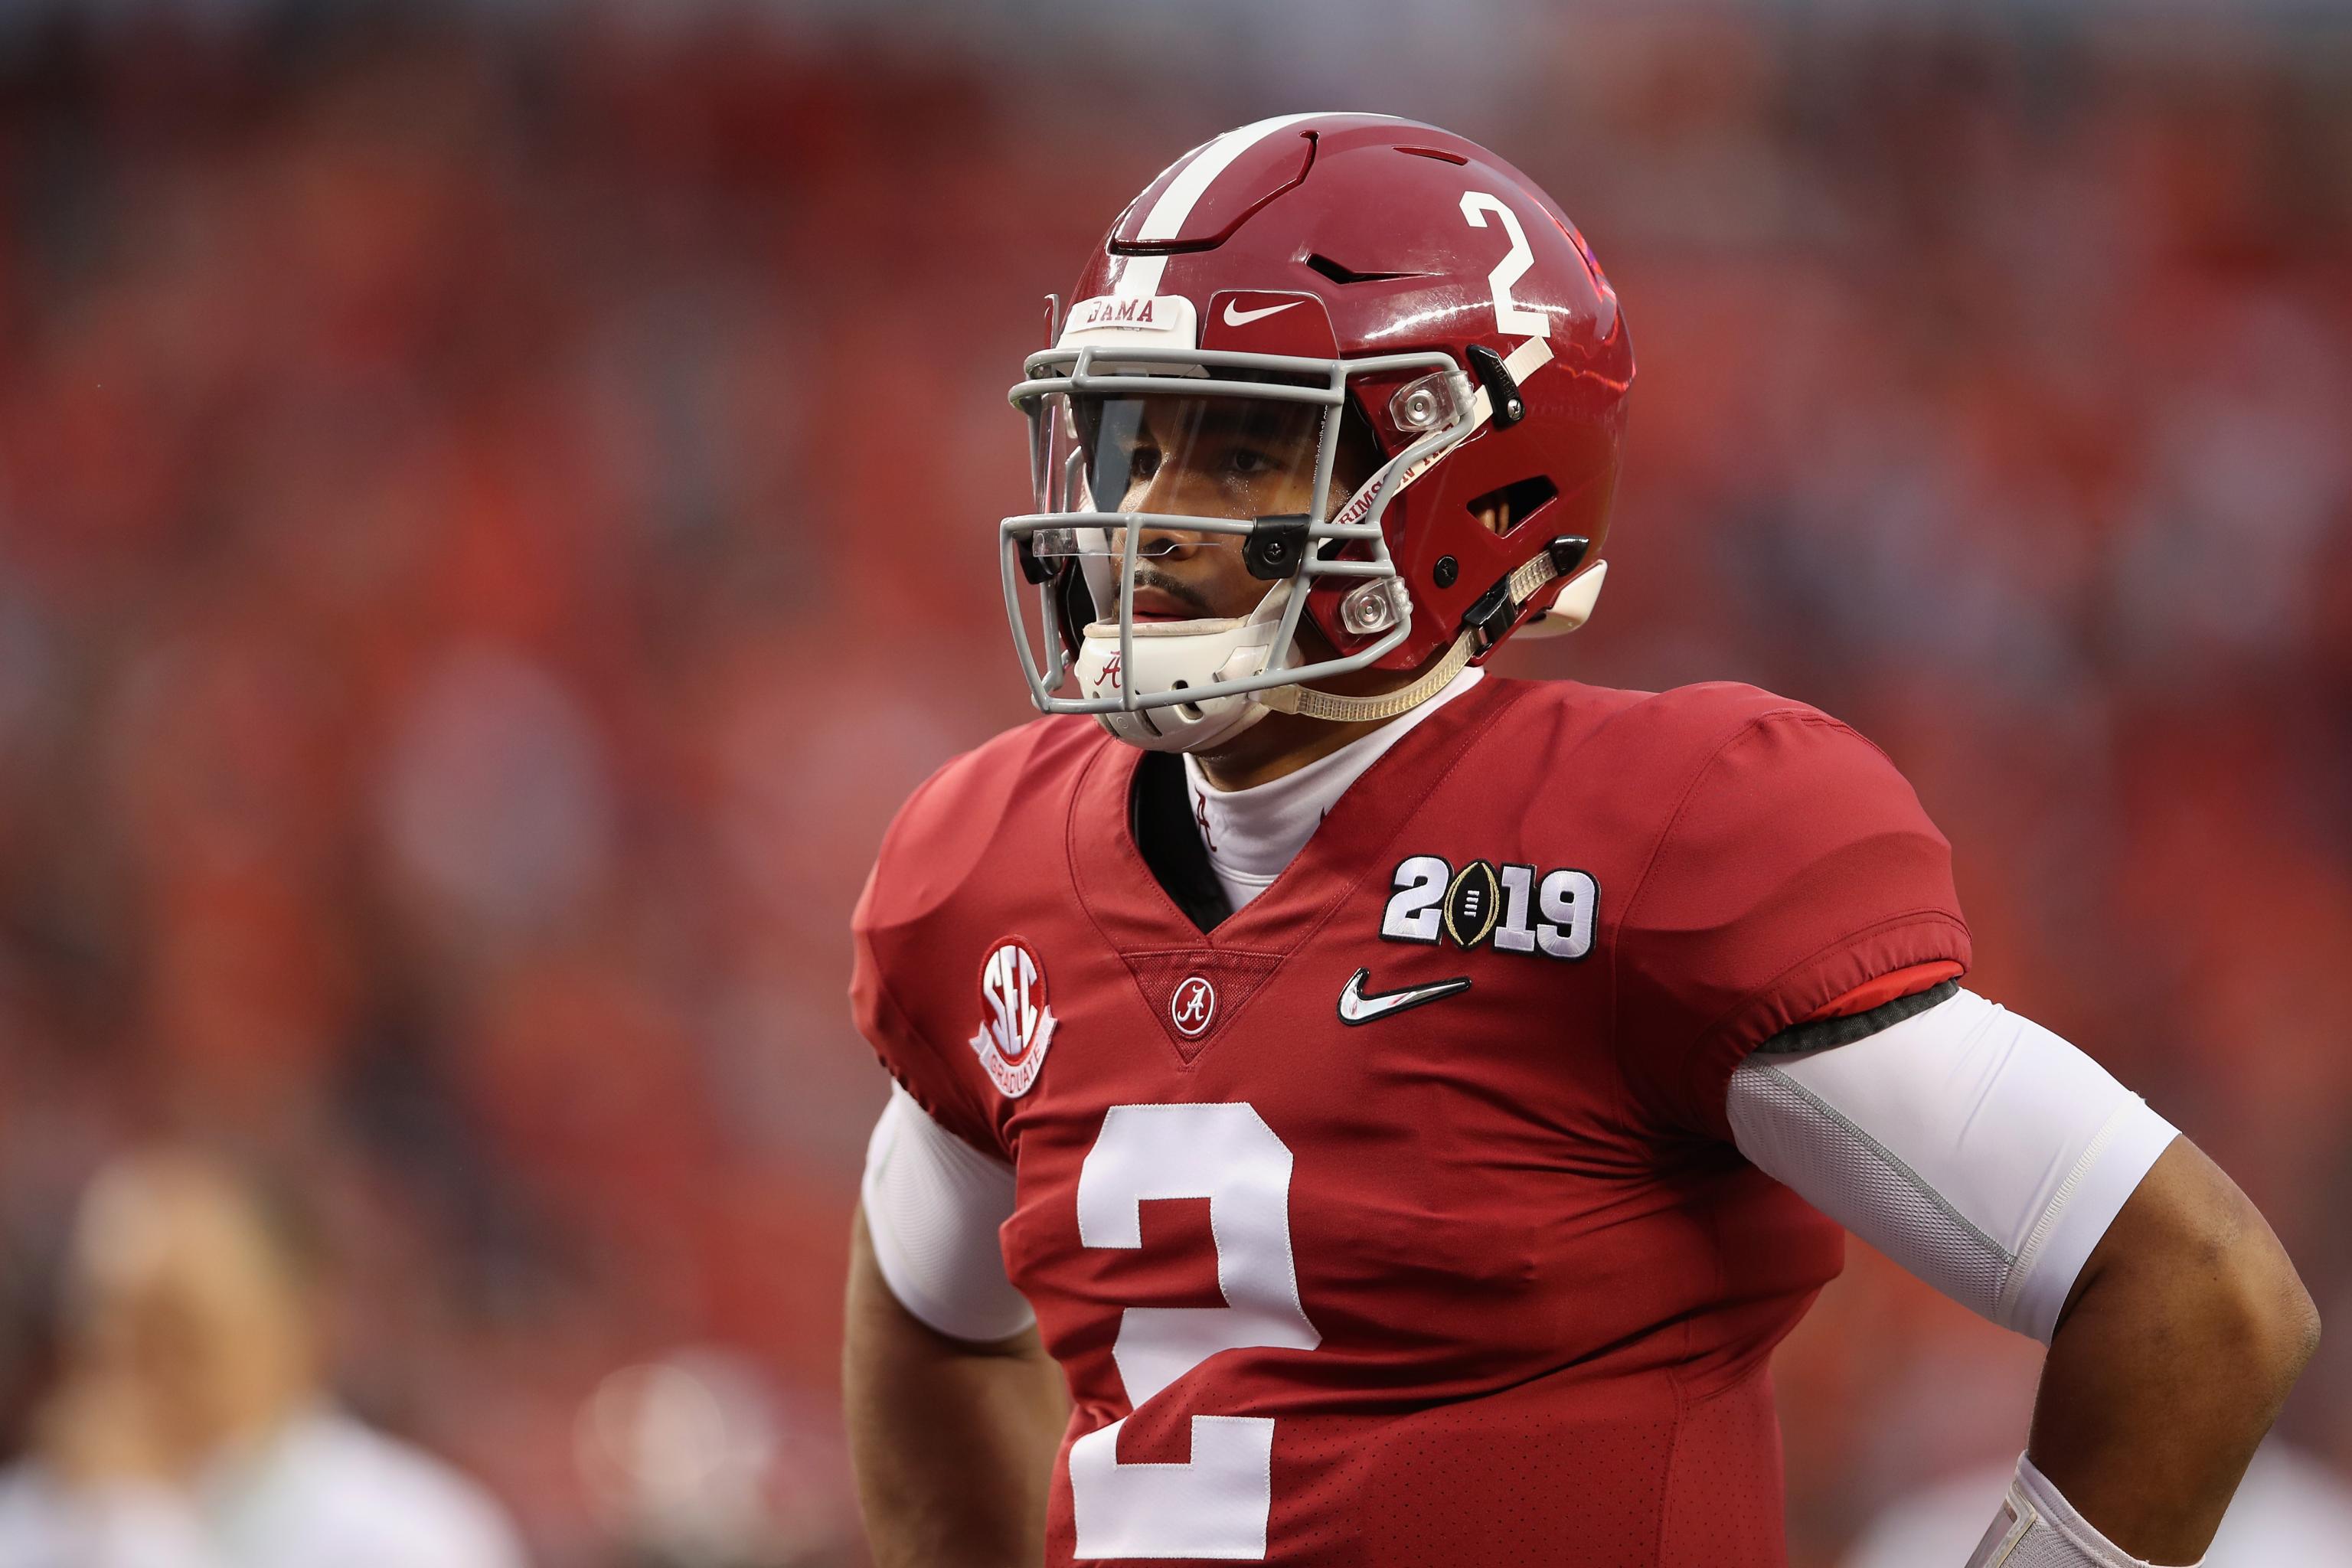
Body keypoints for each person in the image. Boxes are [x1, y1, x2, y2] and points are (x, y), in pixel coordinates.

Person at [839, 113, 2318, 1567]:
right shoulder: (991, 868)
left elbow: (2198, 1292)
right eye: (1131, 443)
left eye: (1239, 452)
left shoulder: (1651, 839)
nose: (1142, 523)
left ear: (1468, 484)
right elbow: (929, 1320)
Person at [0, 1148, 528, 1568]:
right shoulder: (26, 1524)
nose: (127, 1361)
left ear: (302, 1324)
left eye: (179, 1329)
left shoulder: (417, 1539)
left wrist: (138, 1525)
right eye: (105, 1319)